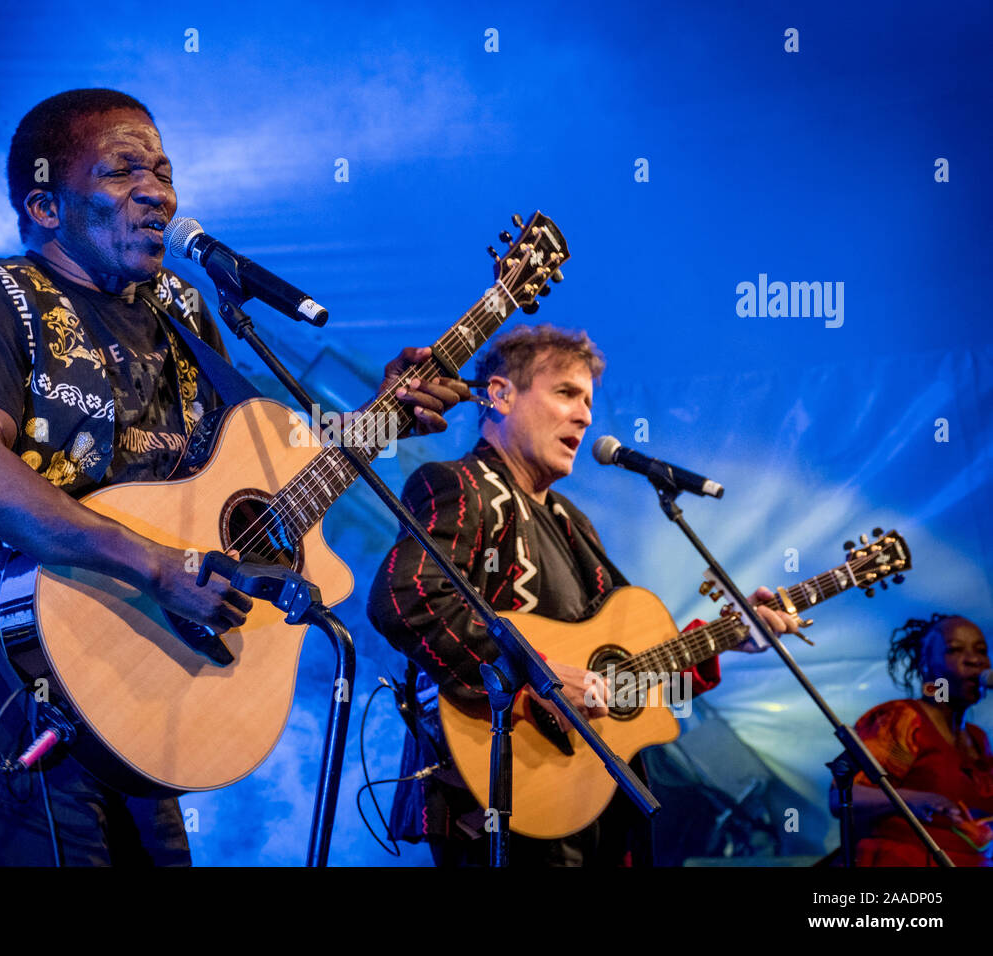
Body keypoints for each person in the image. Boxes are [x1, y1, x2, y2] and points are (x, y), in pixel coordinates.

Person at [0, 88, 468, 866]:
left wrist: (378, 419)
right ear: (46, 205)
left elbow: (255, 482)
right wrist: (158, 565)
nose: (157, 191)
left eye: (163, 171)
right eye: (122, 170)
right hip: (1, 698)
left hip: (141, 694)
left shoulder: (184, 312)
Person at [367, 324, 798, 866]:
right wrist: (536, 675)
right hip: (495, 794)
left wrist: (730, 636)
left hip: (586, 801)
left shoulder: (574, 524)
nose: (586, 416)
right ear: (499, 394)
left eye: (589, 401)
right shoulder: (461, 485)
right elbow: (406, 595)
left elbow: (629, 667)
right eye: (566, 393)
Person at [835, 614, 993, 866]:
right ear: (926, 665)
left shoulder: (979, 738)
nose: (974, 660)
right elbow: (844, 795)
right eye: (954, 650)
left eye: (981, 651)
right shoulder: (905, 719)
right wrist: (912, 799)